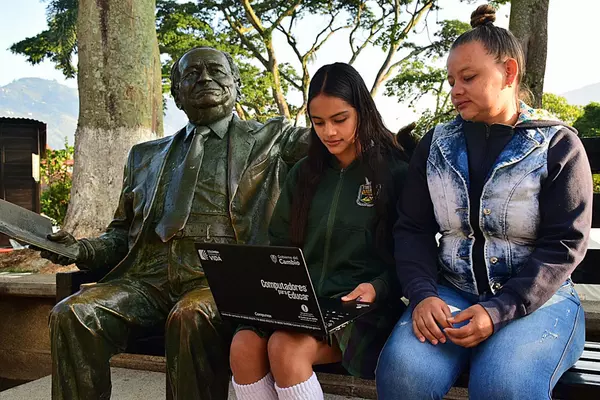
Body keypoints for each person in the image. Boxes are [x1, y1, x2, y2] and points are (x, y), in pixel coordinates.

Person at [43, 46, 309, 400]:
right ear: (177, 94)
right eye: (191, 74)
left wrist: (399, 145)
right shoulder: (145, 156)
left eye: (216, 70)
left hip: (224, 281)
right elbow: (121, 235)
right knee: (72, 314)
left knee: (191, 315)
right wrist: (81, 248)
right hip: (147, 280)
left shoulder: (272, 139)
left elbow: (337, 142)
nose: (204, 78)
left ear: (236, 83)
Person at [376, 4, 593, 399]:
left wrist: (499, 310)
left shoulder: (557, 145)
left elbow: (565, 245)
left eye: (468, 77)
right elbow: (413, 228)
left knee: (503, 385)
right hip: (452, 293)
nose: (455, 89)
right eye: (451, 79)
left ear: (508, 73)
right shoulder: (437, 145)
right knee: (403, 374)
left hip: (538, 301)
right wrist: (423, 295)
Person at [228, 62, 409, 400]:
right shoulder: (303, 174)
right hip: (299, 302)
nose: (329, 132)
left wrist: (378, 286)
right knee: (243, 345)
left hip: (362, 308)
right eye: (318, 122)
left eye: (340, 119)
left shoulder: (394, 173)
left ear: (362, 112)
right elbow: (279, 244)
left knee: (286, 347)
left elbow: (414, 255)